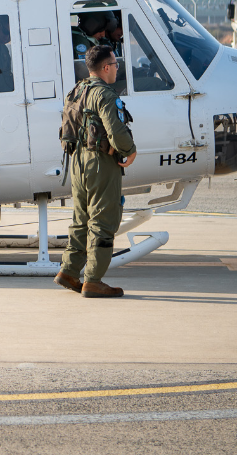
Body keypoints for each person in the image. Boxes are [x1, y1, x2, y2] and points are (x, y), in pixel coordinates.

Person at [55, 44, 138, 298]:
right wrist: (130, 150)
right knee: (103, 220)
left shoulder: (77, 90)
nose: (116, 69)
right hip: (101, 163)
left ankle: (68, 271)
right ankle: (93, 280)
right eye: (115, 65)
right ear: (105, 68)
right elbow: (116, 131)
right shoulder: (105, 94)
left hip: (77, 163)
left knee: (81, 220)